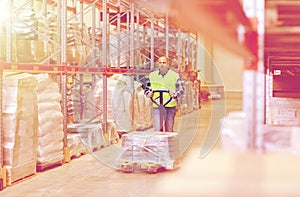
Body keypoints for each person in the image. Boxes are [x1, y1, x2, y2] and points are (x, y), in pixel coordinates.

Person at [144, 56, 185, 132]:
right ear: (157, 64)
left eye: (164, 62)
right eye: (160, 63)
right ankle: (159, 144)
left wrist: (175, 95)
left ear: (167, 64)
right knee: (157, 130)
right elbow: (147, 89)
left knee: (169, 129)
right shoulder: (152, 75)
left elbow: (181, 89)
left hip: (170, 106)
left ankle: (169, 143)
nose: (162, 64)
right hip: (157, 105)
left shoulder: (175, 75)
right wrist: (148, 93)